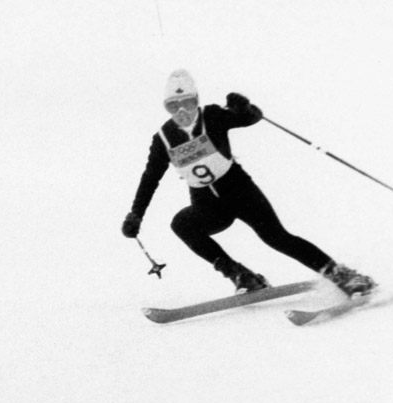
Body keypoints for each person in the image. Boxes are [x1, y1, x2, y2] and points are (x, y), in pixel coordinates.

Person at [121, 69, 375, 297]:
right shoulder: (164, 138)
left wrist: (243, 108)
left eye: (187, 102)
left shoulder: (212, 116)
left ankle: (343, 275)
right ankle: (241, 275)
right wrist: (136, 214)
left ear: (196, 101)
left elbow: (250, 118)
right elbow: (150, 178)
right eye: (173, 106)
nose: (182, 111)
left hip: (240, 192)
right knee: (182, 224)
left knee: (277, 238)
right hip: (208, 205)